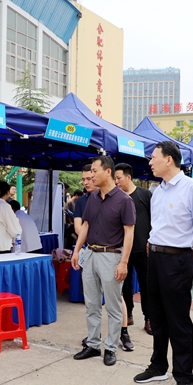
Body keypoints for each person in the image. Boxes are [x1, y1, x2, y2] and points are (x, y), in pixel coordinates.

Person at [132, 142, 193, 385]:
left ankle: (184, 377)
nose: (150, 162)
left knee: (178, 320)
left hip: (178, 260)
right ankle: (158, 367)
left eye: (153, 158)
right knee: (156, 315)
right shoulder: (157, 190)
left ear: (169, 160)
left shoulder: (192, 188)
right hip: (155, 258)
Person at [71, 156, 135, 367]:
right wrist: (77, 250)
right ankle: (93, 344)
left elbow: (129, 233)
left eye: (95, 171)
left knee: (114, 306)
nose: (91, 176)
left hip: (111, 256)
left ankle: (110, 347)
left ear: (108, 172)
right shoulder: (93, 198)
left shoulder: (124, 200)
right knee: (91, 304)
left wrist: (123, 262)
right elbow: (86, 226)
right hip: (90, 254)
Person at [114, 162, 153, 334]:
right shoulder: (117, 198)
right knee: (125, 285)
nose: (116, 182)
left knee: (146, 285)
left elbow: (155, 219)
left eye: (119, 178)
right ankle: (127, 314)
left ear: (128, 177)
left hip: (143, 249)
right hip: (123, 250)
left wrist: (151, 240)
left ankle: (149, 318)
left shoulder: (145, 195)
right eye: (114, 178)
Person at [0, 181, 22, 255]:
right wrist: (16, 236)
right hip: (1, 246)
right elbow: (14, 227)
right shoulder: (5, 206)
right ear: (8, 192)